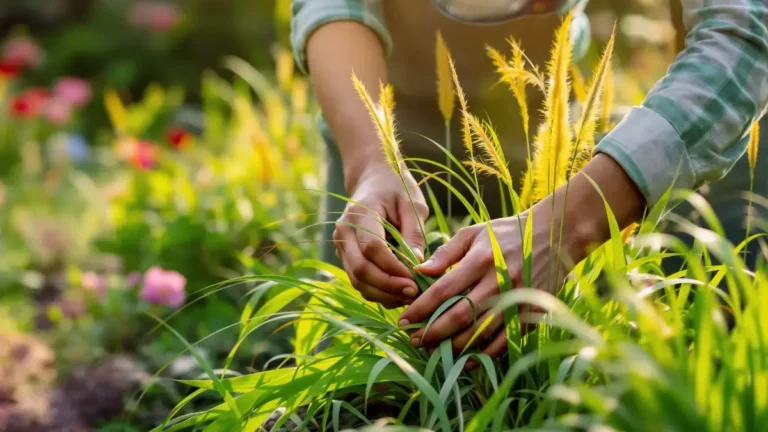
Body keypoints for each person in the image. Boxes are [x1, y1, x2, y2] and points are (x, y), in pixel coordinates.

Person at [291, 0, 768, 358]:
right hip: (375, 148)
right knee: (345, 361)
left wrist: (570, 222)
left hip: (549, 152)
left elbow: (743, 34)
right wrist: (372, 161)